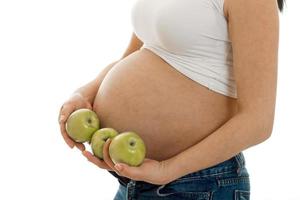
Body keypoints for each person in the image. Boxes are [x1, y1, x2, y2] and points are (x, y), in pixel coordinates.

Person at [58, 0, 284, 199]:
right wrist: (85, 92)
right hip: (135, 181)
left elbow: (258, 121)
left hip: (197, 185)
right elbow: (135, 54)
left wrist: (167, 169)